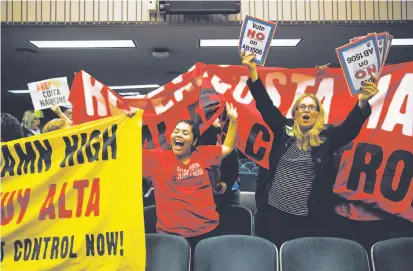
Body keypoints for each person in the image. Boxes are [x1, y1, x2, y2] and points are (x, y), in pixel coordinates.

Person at [241, 52, 379, 247]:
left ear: (317, 114)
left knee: (302, 258)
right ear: (295, 113)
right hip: (274, 214)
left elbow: (349, 129)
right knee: (277, 257)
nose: (306, 110)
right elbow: (265, 105)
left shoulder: (327, 137)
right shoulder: (283, 131)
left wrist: (363, 102)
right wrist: (253, 72)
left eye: (311, 107)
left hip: (309, 217)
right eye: (302, 107)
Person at [142, 102, 238, 250]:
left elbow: (228, 147)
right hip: (171, 236)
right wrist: (128, 124)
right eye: (176, 131)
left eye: (185, 133)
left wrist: (233, 121)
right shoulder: (156, 159)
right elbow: (127, 153)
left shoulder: (203, 154)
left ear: (193, 141)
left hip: (207, 232)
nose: (179, 134)